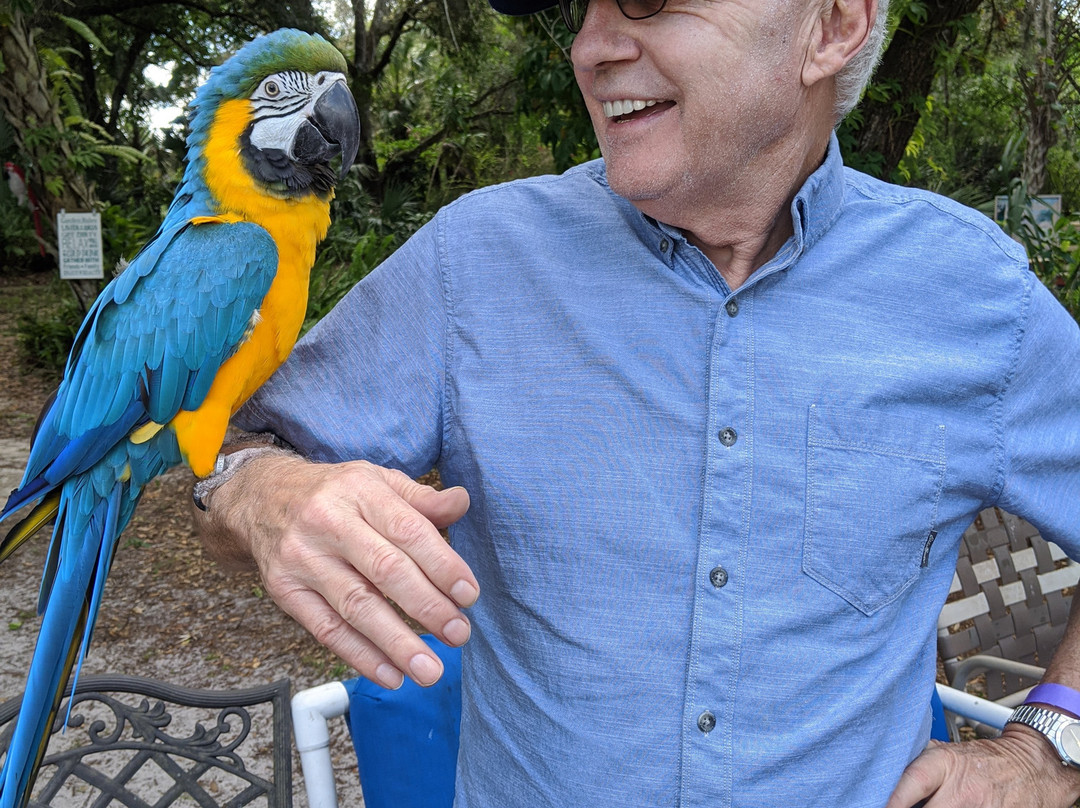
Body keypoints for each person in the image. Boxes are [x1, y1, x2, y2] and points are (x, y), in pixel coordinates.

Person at [194, 0, 1080, 804]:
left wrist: (1047, 750)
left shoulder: (976, 299)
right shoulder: (475, 260)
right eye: (582, 8)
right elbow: (236, 450)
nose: (589, 46)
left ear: (834, 26)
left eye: (649, 1)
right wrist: (260, 492)